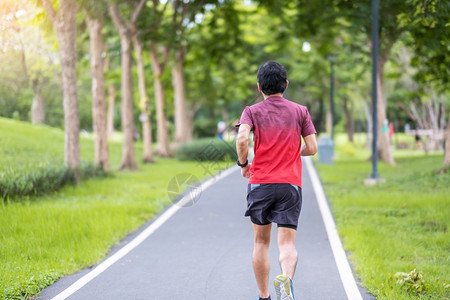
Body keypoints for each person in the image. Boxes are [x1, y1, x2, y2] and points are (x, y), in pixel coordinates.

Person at [235, 61, 317, 300]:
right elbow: (311, 148)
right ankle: (286, 280)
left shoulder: (251, 111)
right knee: (287, 244)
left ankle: (264, 296)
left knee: (261, 243)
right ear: (286, 85)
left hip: (260, 183)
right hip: (290, 184)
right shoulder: (300, 111)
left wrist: (244, 165)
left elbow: (241, 140)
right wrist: (291, 150)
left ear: (259, 86)